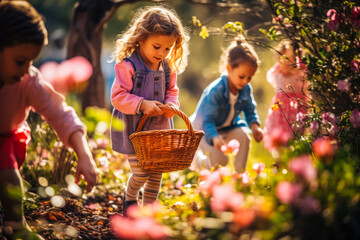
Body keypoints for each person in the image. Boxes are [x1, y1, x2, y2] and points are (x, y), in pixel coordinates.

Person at [0, 1, 98, 238]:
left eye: (31, 62)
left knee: (5, 167)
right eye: (20, 61)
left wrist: (84, 156)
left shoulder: (28, 81)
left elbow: (61, 113)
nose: (26, 69)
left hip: (5, 142)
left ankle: (16, 224)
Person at [110, 5, 189, 215]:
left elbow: (172, 91)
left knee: (156, 173)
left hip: (158, 130)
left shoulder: (168, 67)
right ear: (141, 39)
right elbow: (117, 97)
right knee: (141, 173)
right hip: (134, 129)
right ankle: (130, 198)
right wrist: (142, 104)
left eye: (168, 48)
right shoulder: (128, 66)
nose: (162, 53)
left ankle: (148, 212)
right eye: (157, 47)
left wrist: (172, 105)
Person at [190, 38, 263, 173]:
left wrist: (255, 127)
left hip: (226, 127)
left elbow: (249, 109)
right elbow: (208, 120)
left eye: (249, 78)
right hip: (205, 130)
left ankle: (239, 174)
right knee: (219, 163)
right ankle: (197, 162)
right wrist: (215, 138)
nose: (245, 81)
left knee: (244, 137)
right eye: (241, 76)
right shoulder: (216, 91)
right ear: (229, 68)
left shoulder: (245, 89)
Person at [263, 40, 308, 151]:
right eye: (282, 59)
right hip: (280, 111)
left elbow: (306, 88)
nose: (285, 63)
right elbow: (271, 79)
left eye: (290, 59)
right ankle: (279, 160)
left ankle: (292, 158)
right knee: (278, 136)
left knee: (295, 136)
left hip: (296, 109)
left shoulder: (300, 72)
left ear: (296, 59)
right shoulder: (277, 71)